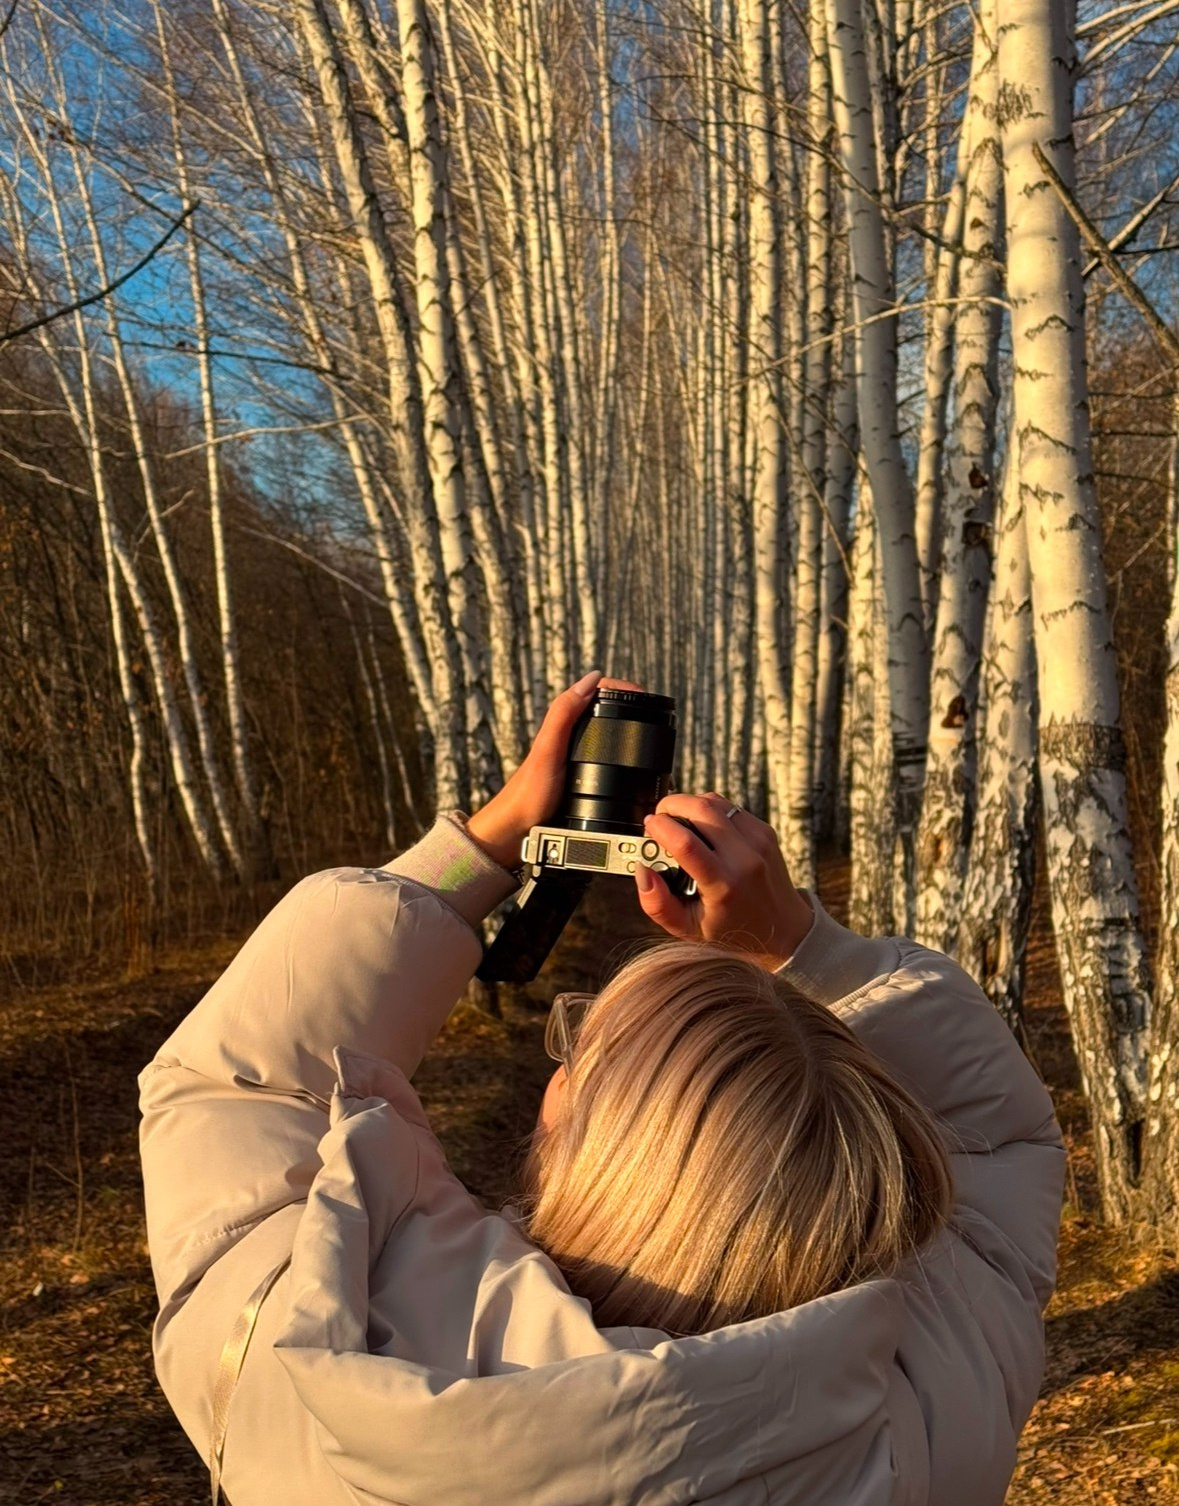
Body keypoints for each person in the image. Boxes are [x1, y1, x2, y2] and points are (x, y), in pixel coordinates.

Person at [139, 671, 1064, 1506]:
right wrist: (799, 941)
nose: (560, 1062)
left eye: (583, 1051)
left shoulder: (319, 1367)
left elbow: (236, 1085)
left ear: (587, 1146)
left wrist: (486, 843)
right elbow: (1000, 1139)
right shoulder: (934, 1393)